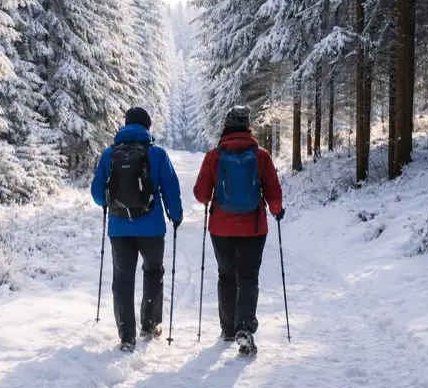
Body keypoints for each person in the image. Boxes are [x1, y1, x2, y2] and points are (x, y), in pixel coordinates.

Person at [193, 106, 284, 356]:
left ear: (225, 125)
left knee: (226, 275)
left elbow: (201, 194)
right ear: (248, 126)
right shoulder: (261, 156)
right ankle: (244, 328)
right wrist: (276, 210)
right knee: (247, 277)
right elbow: (274, 194)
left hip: (220, 229)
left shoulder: (214, 156)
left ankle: (228, 328)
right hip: (254, 228)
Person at [91, 107, 183, 353]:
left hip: (119, 228)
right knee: (153, 272)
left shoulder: (109, 154)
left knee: (122, 278)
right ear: (147, 128)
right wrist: (176, 215)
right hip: (152, 228)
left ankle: (127, 336)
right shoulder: (157, 154)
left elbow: (97, 194)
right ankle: (150, 325)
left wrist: (109, 204)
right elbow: (170, 189)